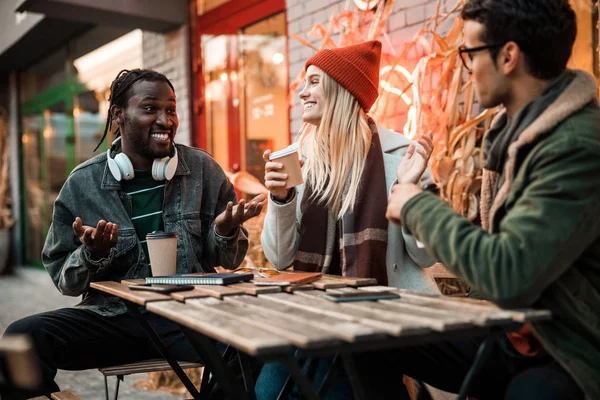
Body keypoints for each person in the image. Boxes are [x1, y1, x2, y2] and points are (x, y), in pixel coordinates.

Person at [353, 1, 600, 399]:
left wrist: (417, 206)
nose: (465, 68)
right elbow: (500, 252)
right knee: (370, 336)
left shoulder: (572, 146)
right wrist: (423, 191)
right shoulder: (517, 137)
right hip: (521, 333)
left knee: (531, 392)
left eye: (469, 53)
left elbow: (509, 274)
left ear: (508, 56)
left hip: (570, 348)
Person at [2, 68, 265, 399]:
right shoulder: (82, 185)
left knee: (249, 345)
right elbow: (64, 280)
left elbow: (228, 259)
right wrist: (91, 255)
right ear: (118, 115)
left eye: (170, 109)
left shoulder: (203, 171)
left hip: (190, 314)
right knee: (20, 338)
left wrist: (224, 232)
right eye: (150, 108)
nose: (165, 119)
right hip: (114, 319)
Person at [256, 41, 438, 399]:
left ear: (342, 89)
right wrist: (280, 200)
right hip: (313, 313)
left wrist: (412, 187)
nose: (301, 92)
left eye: (313, 82)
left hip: (384, 315)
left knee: (333, 384)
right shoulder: (300, 160)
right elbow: (279, 258)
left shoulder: (401, 156)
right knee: (267, 389)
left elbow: (426, 256)